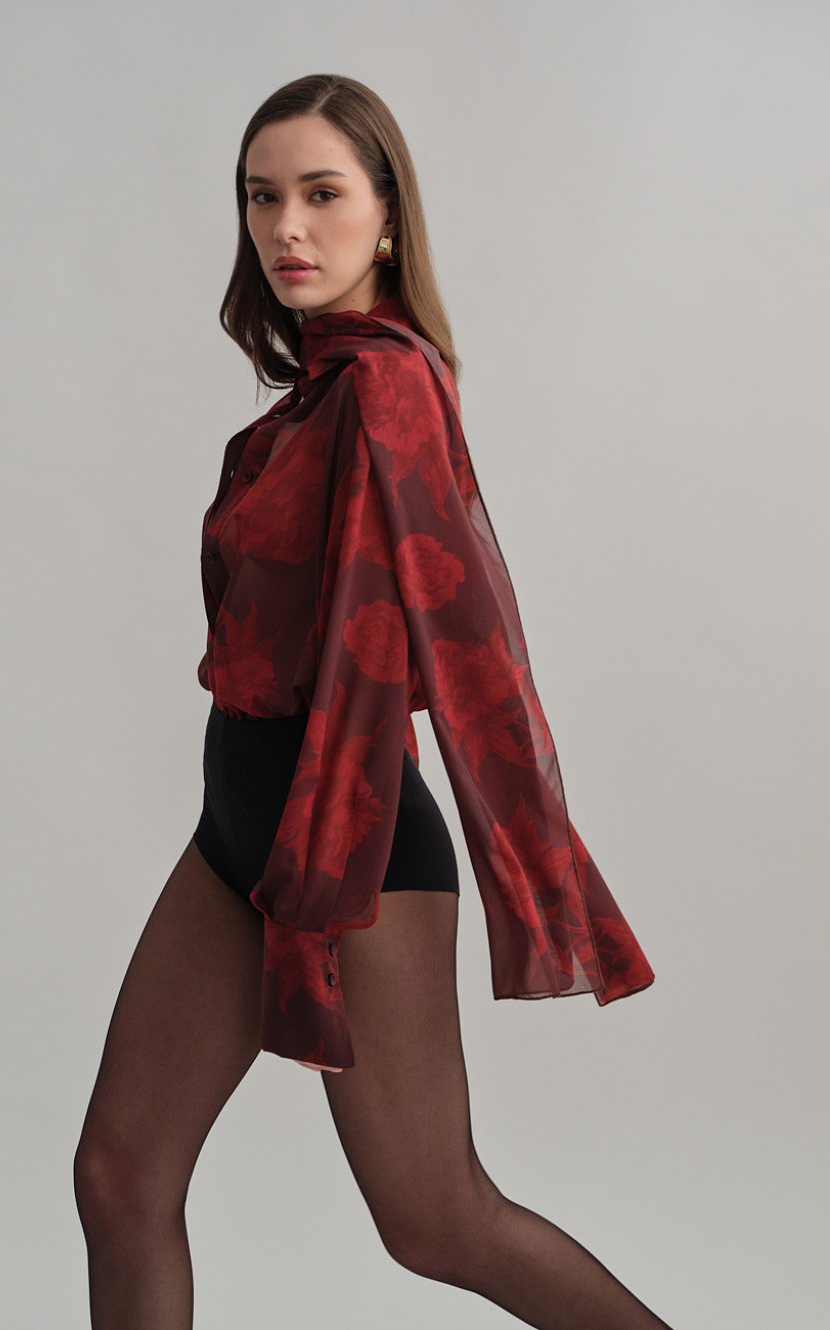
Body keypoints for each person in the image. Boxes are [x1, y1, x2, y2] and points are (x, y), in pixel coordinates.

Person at [74, 73, 673, 1330]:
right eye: (261, 197)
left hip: (347, 837)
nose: (287, 227)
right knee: (121, 1174)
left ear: (388, 217)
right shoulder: (320, 390)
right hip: (239, 828)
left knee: (437, 1218)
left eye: (322, 194)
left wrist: (337, 855)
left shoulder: (386, 385)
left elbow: (437, 641)